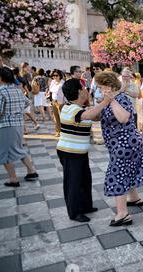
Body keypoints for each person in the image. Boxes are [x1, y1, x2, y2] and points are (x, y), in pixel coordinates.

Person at [94, 71, 143, 226]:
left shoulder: (120, 99)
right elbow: (99, 116)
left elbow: (123, 118)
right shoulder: (109, 99)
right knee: (127, 170)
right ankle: (134, 198)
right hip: (121, 144)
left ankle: (123, 214)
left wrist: (111, 100)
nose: (99, 89)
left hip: (125, 144)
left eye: (101, 86)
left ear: (109, 86)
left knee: (117, 175)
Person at [57, 79, 107, 222]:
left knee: (85, 179)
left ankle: (86, 206)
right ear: (79, 91)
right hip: (70, 152)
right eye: (84, 88)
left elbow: (93, 116)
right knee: (73, 182)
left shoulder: (77, 108)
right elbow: (87, 116)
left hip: (79, 152)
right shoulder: (72, 109)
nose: (86, 90)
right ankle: (74, 212)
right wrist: (105, 102)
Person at [0, 67, 39, 187]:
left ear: (0, 78)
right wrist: (16, 110)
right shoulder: (17, 90)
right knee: (18, 148)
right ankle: (31, 171)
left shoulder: (0, 91)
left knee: (4, 152)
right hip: (18, 124)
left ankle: (13, 178)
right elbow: (27, 102)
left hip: (5, 125)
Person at [49, 69, 65, 137]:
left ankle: (64, 131)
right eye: (53, 75)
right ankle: (58, 131)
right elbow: (51, 91)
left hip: (61, 102)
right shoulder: (52, 82)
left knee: (62, 117)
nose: (55, 77)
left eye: (56, 75)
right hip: (53, 101)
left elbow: (65, 93)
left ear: (60, 75)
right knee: (56, 117)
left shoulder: (63, 82)